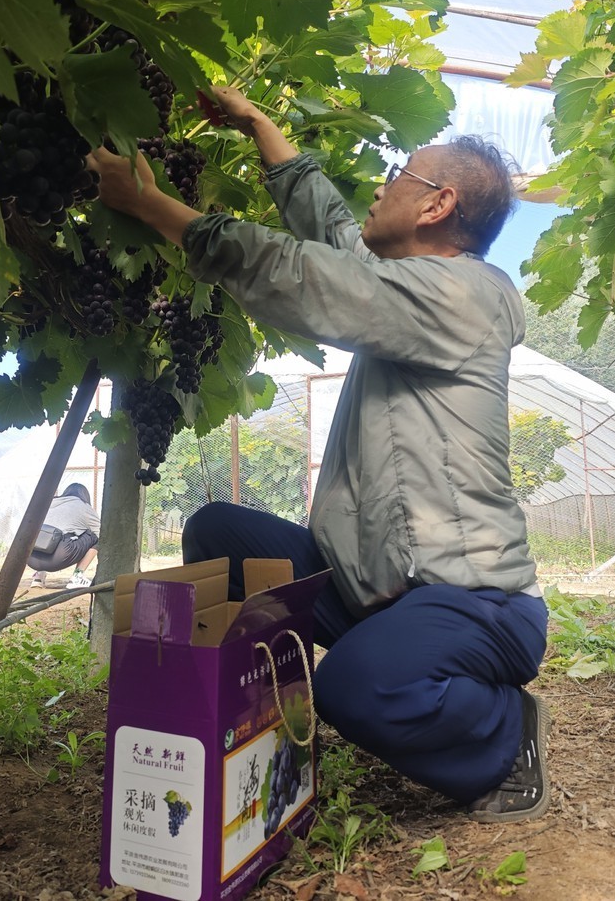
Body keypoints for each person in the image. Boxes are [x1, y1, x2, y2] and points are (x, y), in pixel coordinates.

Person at [86, 87, 549, 821]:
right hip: (375, 585)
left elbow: (303, 272)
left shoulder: (466, 296)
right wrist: (260, 126)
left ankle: (501, 736)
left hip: (473, 601)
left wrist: (152, 207)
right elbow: (337, 238)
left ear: (437, 205)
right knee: (218, 533)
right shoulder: (402, 291)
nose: (380, 185)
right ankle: (259, 731)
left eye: (400, 175)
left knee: (356, 689)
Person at [27, 482, 100, 590]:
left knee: (44, 535)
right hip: (58, 558)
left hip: (30, 558)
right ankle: (77, 576)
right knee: (96, 537)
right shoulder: (84, 506)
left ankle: (38, 577)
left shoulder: (49, 503)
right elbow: (101, 532)